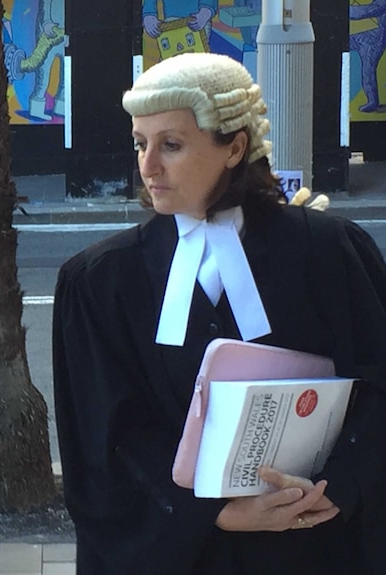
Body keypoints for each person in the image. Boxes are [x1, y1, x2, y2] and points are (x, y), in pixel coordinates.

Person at [53, 52, 386, 575]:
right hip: (182, 557)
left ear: (235, 146)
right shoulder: (100, 282)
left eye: (172, 145)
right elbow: (104, 439)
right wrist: (212, 513)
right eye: (141, 144)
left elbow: (379, 388)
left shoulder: (329, 253)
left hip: (315, 547)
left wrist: (338, 487)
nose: (148, 166)